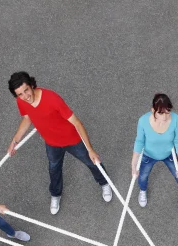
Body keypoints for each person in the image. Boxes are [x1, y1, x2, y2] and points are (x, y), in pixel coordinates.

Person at [7, 71, 111, 215]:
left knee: (91, 161)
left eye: (26, 91)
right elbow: (26, 118)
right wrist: (15, 140)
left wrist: (90, 149)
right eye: (20, 94)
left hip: (72, 140)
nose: (25, 96)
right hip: (51, 143)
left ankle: (104, 183)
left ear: (32, 85)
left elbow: (77, 123)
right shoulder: (21, 101)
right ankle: (55, 194)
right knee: (54, 169)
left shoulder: (52, 99)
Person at [131, 93, 178, 210]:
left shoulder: (175, 119)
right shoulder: (143, 121)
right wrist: (133, 164)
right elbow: (139, 142)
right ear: (153, 110)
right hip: (148, 155)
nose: (165, 117)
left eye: (167, 112)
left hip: (169, 154)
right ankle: (143, 190)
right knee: (142, 177)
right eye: (161, 113)